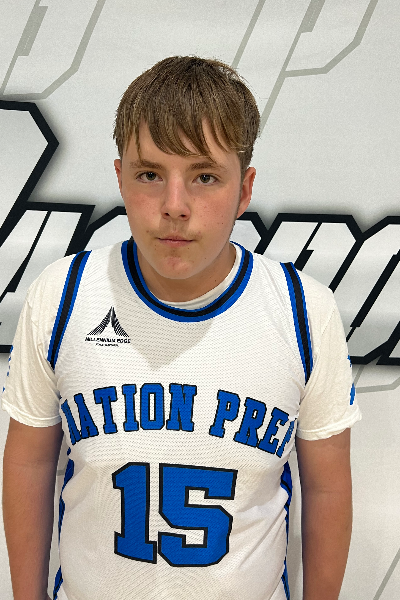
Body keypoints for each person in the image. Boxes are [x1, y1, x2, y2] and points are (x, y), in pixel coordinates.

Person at [2, 56, 361, 600]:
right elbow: (29, 462)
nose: (174, 206)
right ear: (120, 177)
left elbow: (328, 488)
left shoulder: (302, 311)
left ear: (244, 190)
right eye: (150, 175)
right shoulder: (63, 295)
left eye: (205, 176)